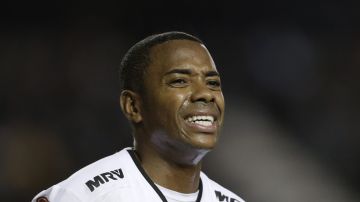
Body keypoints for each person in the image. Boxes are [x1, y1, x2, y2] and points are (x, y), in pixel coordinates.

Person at [32, 31, 245, 202]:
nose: (206, 94)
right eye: (179, 81)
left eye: (213, 83)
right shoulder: (82, 195)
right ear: (133, 106)